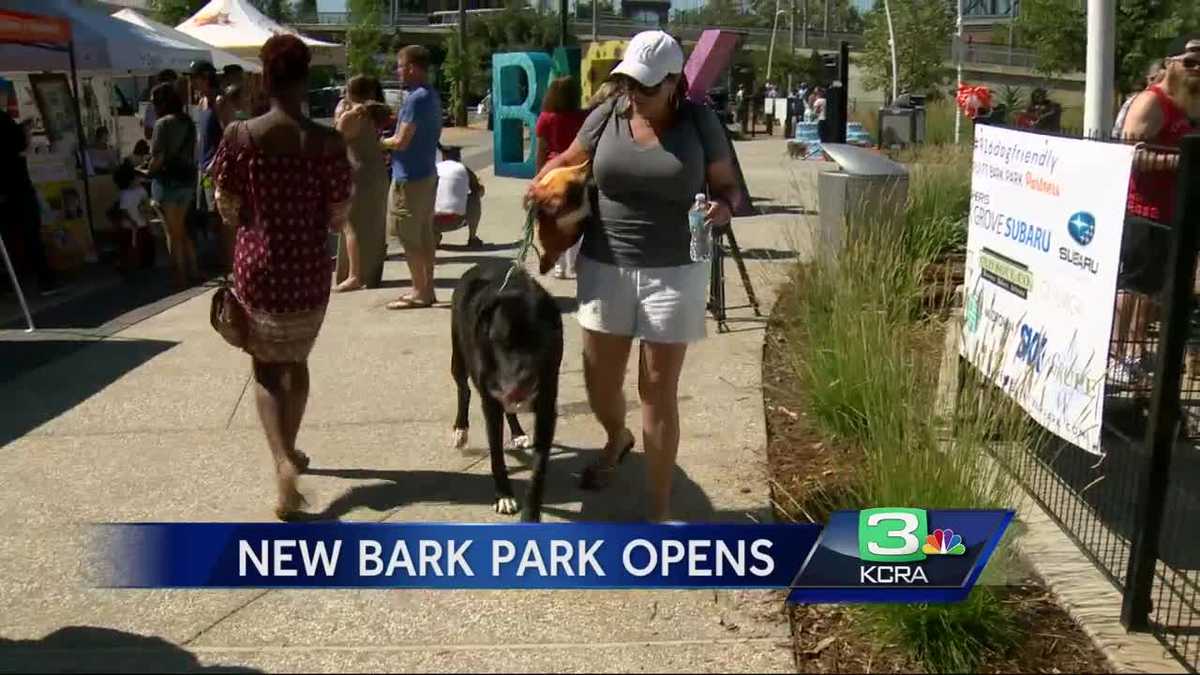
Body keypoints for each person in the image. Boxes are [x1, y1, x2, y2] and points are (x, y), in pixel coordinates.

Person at [527, 31, 742, 522]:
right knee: (600, 384)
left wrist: (721, 209)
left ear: (673, 82)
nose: (635, 93)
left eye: (645, 85)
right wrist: (542, 183)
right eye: (628, 81)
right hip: (605, 264)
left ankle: (659, 510)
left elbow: (729, 190)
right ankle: (616, 438)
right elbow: (568, 160)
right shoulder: (607, 115)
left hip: (676, 269)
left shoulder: (699, 123)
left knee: (658, 391)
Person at [210, 34, 353, 520]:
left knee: (266, 371)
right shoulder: (328, 143)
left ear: (265, 79)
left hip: (259, 269)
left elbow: (226, 206)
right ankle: (290, 450)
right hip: (309, 270)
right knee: (298, 361)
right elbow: (338, 213)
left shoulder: (240, 138)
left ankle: (281, 463)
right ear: (305, 78)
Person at [1111, 36, 1200, 384]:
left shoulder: (1188, 104)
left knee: (1152, 292)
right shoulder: (1153, 101)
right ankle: (1116, 353)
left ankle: (1135, 351)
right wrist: (1183, 163)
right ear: (1169, 63)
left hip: (1173, 213)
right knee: (1131, 288)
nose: (1196, 69)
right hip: (1144, 211)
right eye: (1189, 62)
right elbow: (1131, 153)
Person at [380, 45, 443, 310]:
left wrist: (380, 142)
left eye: (400, 65)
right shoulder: (431, 96)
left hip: (409, 178)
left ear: (412, 67)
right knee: (424, 234)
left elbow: (402, 141)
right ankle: (426, 288)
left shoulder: (414, 99)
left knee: (408, 236)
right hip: (427, 173)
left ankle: (420, 291)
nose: (397, 70)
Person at [333, 74, 391, 292]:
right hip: (376, 171)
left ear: (349, 91)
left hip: (358, 173)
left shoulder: (351, 115)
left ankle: (354, 275)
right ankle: (371, 273)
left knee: (351, 225)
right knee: (374, 226)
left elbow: (334, 141)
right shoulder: (374, 112)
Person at [0, 95, 59, 295]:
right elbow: (19, 146)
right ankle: (43, 280)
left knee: (10, 240)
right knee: (29, 236)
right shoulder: (5, 123)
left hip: (8, 191)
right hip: (16, 190)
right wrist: (24, 132)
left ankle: (12, 282)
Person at [536, 76, 589, 278]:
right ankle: (573, 264)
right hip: (575, 173)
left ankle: (557, 264)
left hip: (551, 174)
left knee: (552, 221)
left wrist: (538, 177)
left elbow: (541, 150)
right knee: (574, 219)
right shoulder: (582, 117)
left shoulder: (545, 118)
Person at [148, 81, 200, 288]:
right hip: (186, 180)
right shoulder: (187, 121)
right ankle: (193, 269)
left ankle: (179, 276)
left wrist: (147, 171)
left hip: (167, 181)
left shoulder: (162, 124)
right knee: (181, 229)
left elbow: (158, 157)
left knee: (171, 232)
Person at [107, 160, 155, 275]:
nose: (139, 180)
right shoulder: (125, 194)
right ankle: (128, 265)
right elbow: (123, 210)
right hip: (131, 226)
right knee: (130, 247)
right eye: (136, 178)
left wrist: (147, 214)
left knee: (144, 245)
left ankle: (143, 264)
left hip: (140, 224)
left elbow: (146, 204)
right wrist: (131, 220)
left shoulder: (140, 191)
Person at [433, 145, 484, 248]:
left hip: (432, 222)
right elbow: (478, 190)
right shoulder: (463, 168)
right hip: (456, 220)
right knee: (474, 197)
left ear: (443, 156)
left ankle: (433, 238)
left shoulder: (435, 168)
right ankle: (472, 238)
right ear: (459, 157)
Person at [1114, 60, 1166, 138]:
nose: (1156, 82)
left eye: (1162, 79)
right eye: (1152, 79)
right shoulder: (1135, 101)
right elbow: (1119, 132)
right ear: (1147, 79)